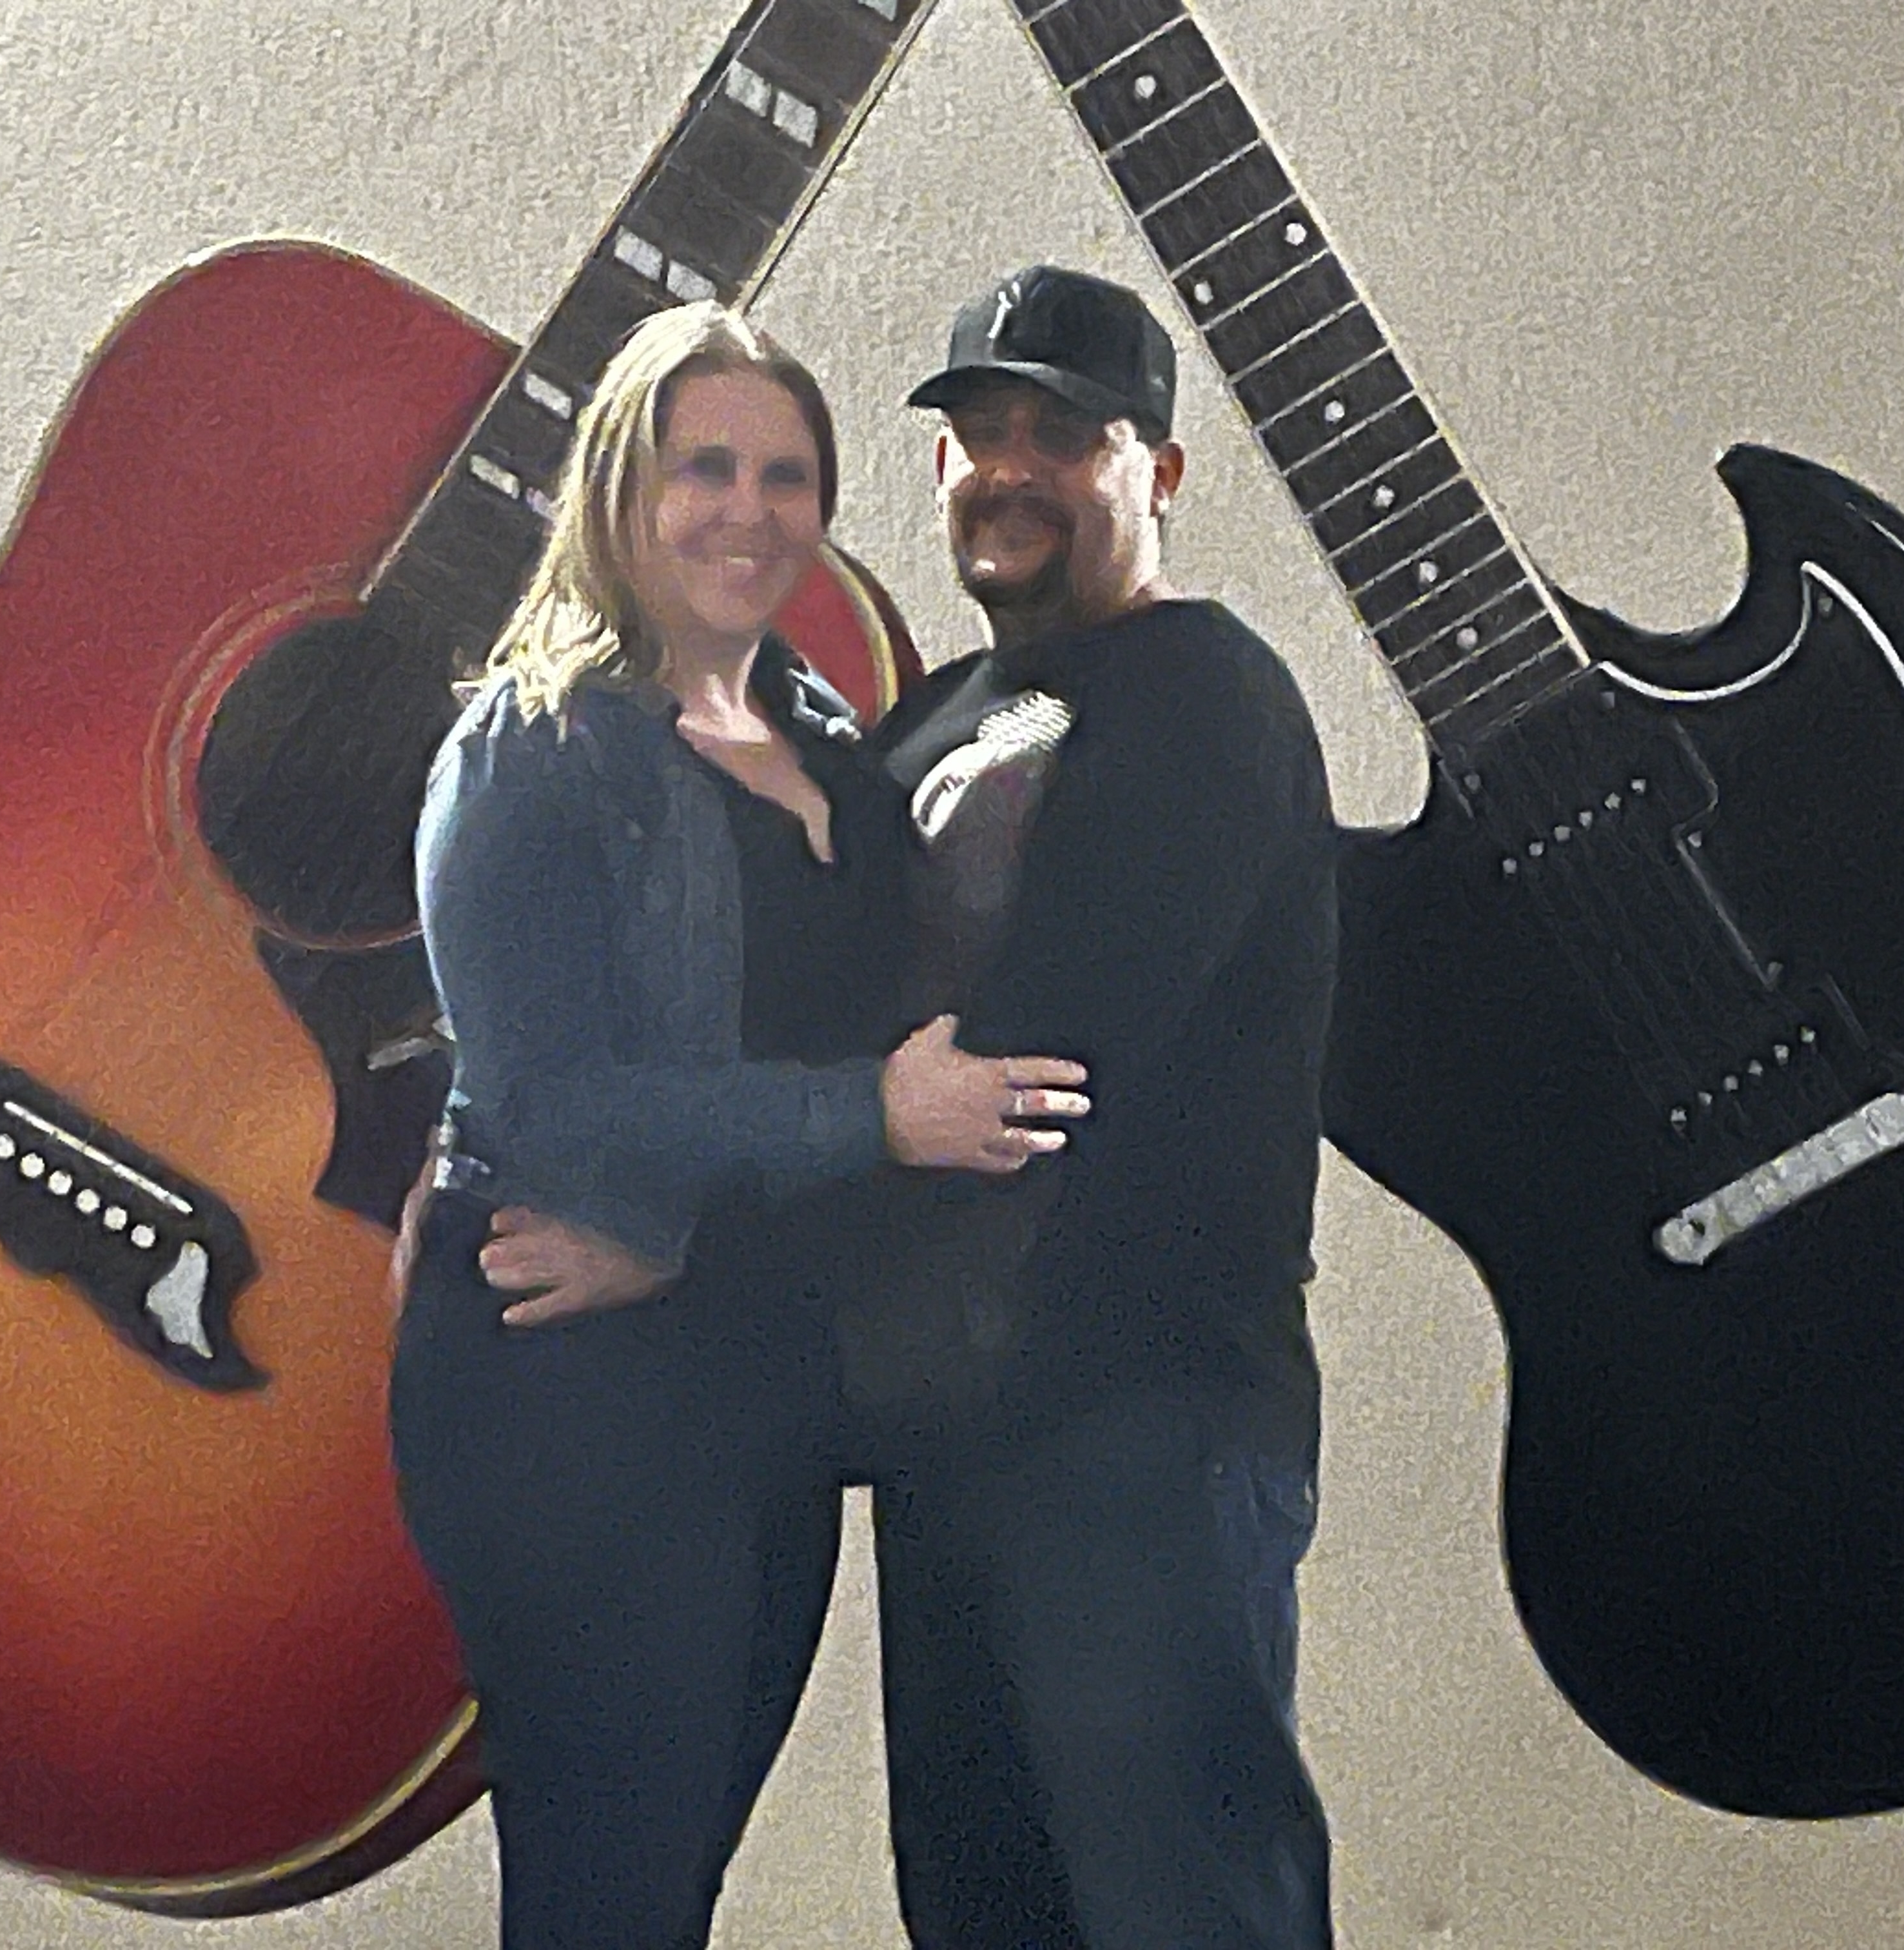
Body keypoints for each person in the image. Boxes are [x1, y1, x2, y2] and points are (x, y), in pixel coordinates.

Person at [483, 266, 1342, 1949]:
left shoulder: (1207, 700)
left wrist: (683, 1242)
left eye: (1062, 435)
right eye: (976, 433)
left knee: (1188, 1916)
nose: (1008, 467)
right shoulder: (940, 717)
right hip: (949, 1441)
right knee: (981, 1916)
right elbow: (803, 1019)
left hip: (1146, 1427)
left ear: (1161, 472)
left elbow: (1027, 1076)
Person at [386, 299, 1092, 1950]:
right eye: (704, 467)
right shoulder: (532, 747)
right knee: (607, 1891)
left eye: (786, 476)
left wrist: (693, 1242)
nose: (748, 511)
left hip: (745, 1370)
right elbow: (551, 1099)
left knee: (676, 1878)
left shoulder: (830, 741)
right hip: (571, 1382)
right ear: (620, 485)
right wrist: (872, 1118)